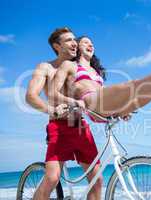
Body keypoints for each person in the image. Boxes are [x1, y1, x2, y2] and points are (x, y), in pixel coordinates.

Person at [25, 27, 102, 200]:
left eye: (75, 39)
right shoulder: (45, 67)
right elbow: (30, 96)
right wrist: (51, 109)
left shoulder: (79, 68)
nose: (74, 43)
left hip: (81, 127)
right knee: (52, 178)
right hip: (59, 127)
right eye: (68, 40)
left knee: (97, 180)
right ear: (56, 46)